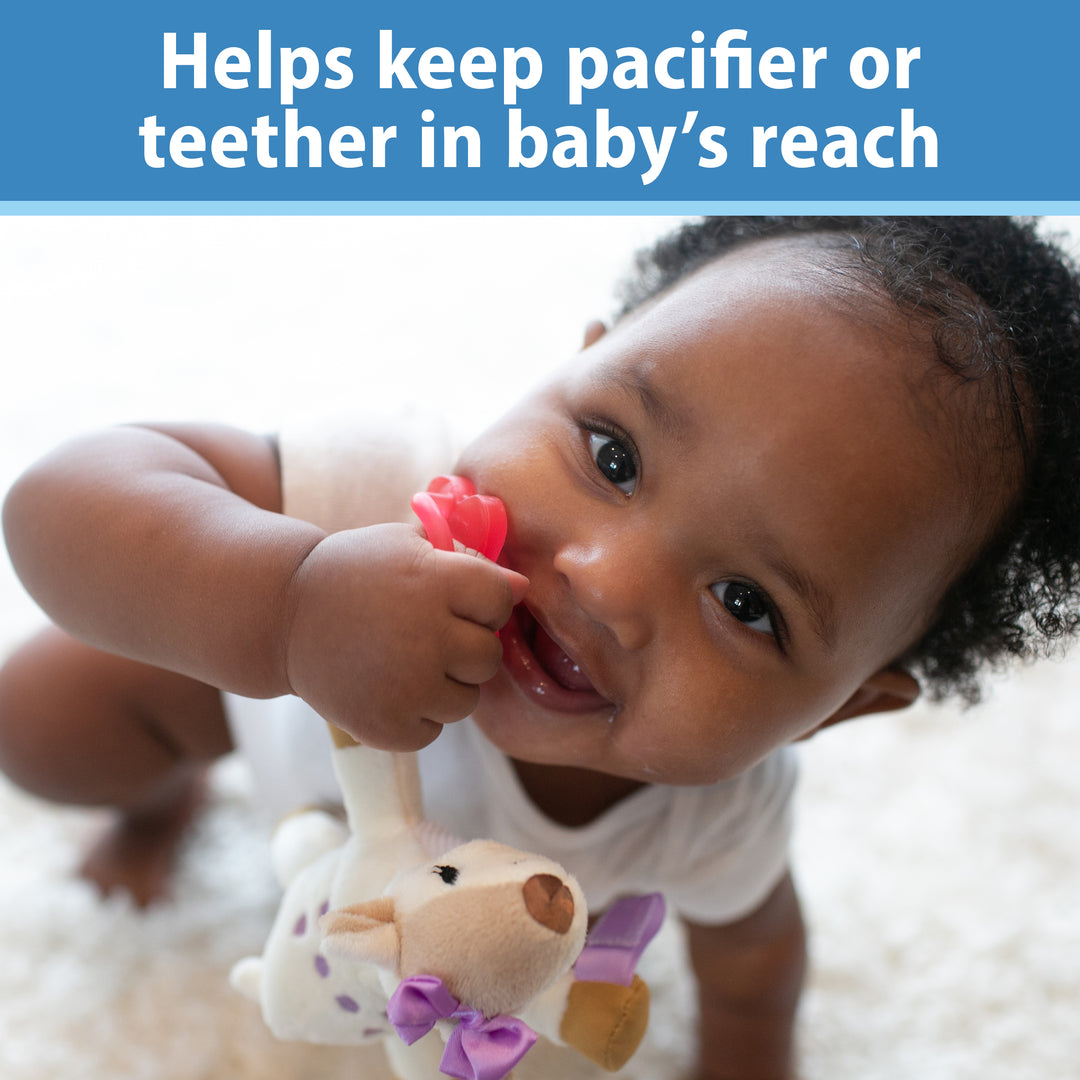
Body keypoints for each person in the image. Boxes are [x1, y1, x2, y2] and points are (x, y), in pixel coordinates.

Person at [2, 216, 1079, 1080]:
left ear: (841, 706)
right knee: (38, 719)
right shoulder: (385, 493)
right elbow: (63, 499)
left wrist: (750, 1056)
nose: (605, 581)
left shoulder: (715, 815)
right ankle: (166, 801)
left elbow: (754, 964)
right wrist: (286, 604)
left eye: (746, 603)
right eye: (612, 453)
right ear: (581, 360)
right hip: (252, 697)